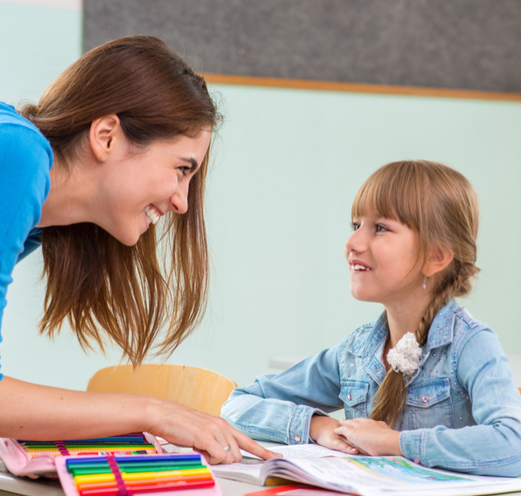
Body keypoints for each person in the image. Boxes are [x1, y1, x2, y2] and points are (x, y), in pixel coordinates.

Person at [0, 35, 275, 464]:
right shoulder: (9, 156)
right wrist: (153, 411)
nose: (182, 201)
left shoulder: (30, 203)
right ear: (106, 136)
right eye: (182, 169)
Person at [221, 160, 521, 476]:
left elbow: (513, 446)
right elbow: (237, 406)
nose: (353, 243)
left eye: (380, 228)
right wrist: (318, 425)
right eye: (356, 226)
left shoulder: (470, 345)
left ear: (436, 257)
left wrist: (394, 442)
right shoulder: (355, 352)